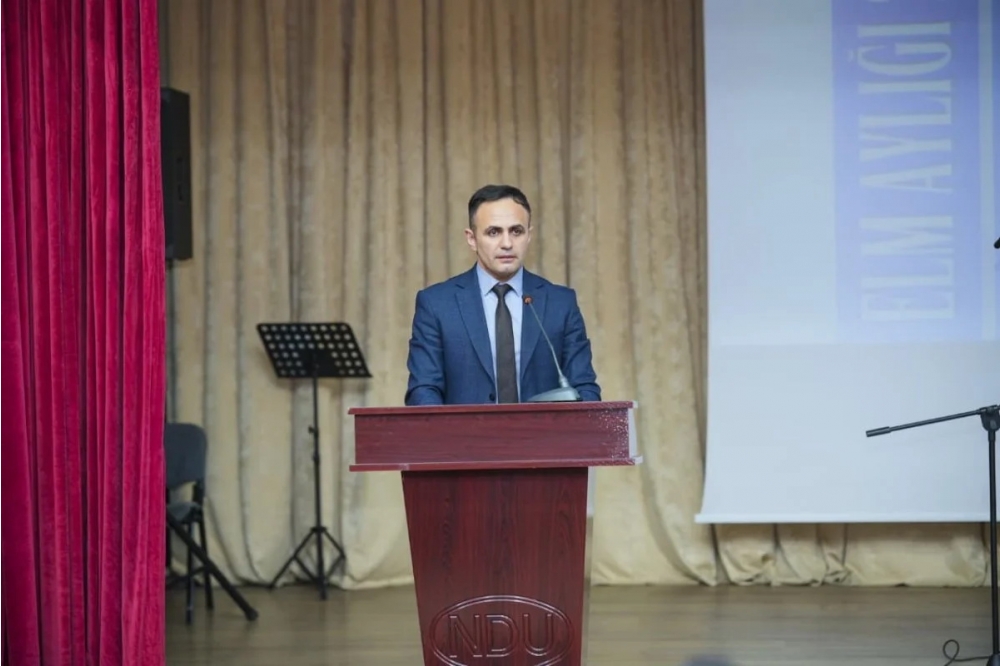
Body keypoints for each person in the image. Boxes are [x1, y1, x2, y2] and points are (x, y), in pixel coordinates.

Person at [404, 184, 601, 406]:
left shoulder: (560, 303)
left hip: (544, 430)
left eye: (516, 231)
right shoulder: (437, 304)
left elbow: (584, 388)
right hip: (462, 430)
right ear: (471, 239)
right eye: (493, 232)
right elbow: (423, 390)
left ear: (529, 235)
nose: (507, 244)